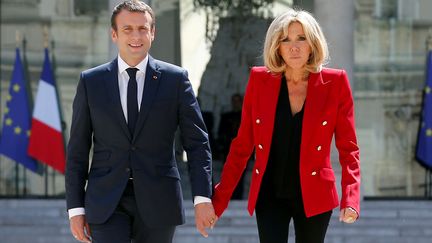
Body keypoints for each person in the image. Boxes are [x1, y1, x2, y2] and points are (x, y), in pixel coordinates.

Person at [65, 1, 216, 243]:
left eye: (143, 29)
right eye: (127, 29)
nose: (136, 36)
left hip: (160, 199)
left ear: (152, 33)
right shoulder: (91, 82)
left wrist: (202, 197)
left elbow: (197, 143)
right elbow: (78, 150)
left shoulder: (175, 80)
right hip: (106, 201)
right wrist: (75, 208)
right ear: (114, 34)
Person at [212, 8, 361, 243]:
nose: (294, 46)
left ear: (312, 43)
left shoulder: (335, 82)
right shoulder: (259, 80)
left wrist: (350, 199)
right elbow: (242, 146)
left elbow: (349, 148)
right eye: (286, 39)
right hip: (269, 193)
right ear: (276, 46)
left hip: (315, 193)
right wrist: (218, 201)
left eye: (301, 38)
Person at [217, 93, 246, 199]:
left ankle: (238, 197)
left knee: (240, 175)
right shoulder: (226, 117)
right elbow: (221, 133)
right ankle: (228, 196)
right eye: (234, 101)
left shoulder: (245, 116)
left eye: (238, 101)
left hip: (242, 150)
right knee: (227, 175)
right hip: (228, 150)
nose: (236, 103)